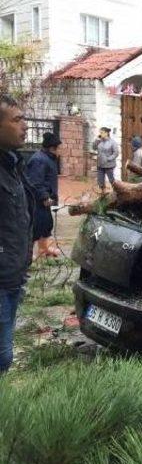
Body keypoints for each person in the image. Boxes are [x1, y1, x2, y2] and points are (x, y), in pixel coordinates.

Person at [0, 94, 34, 373]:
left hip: (13, 277)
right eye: (17, 120)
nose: (25, 126)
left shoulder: (12, 166)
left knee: (4, 357)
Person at [26, 132, 61, 258]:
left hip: (45, 200)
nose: (60, 151)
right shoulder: (39, 160)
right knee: (36, 226)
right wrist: (44, 196)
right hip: (37, 200)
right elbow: (35, 182)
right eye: (58, 148)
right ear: (52, 148)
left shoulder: (48, 158)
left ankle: (44, 250)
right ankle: (27, 257)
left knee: (46, 224)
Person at [92, 126, 119, 192]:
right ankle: (102, 193)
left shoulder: (113, 142)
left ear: (106, 133)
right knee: (100, 180)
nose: (100, 134)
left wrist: (108, 159)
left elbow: (116, 153)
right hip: (100, 164)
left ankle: (116, 192)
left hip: (109, 165)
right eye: (100, 132)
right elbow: (94, 148)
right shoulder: (99, 141)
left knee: (111, 180)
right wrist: (96, 140)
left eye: (102, 132)